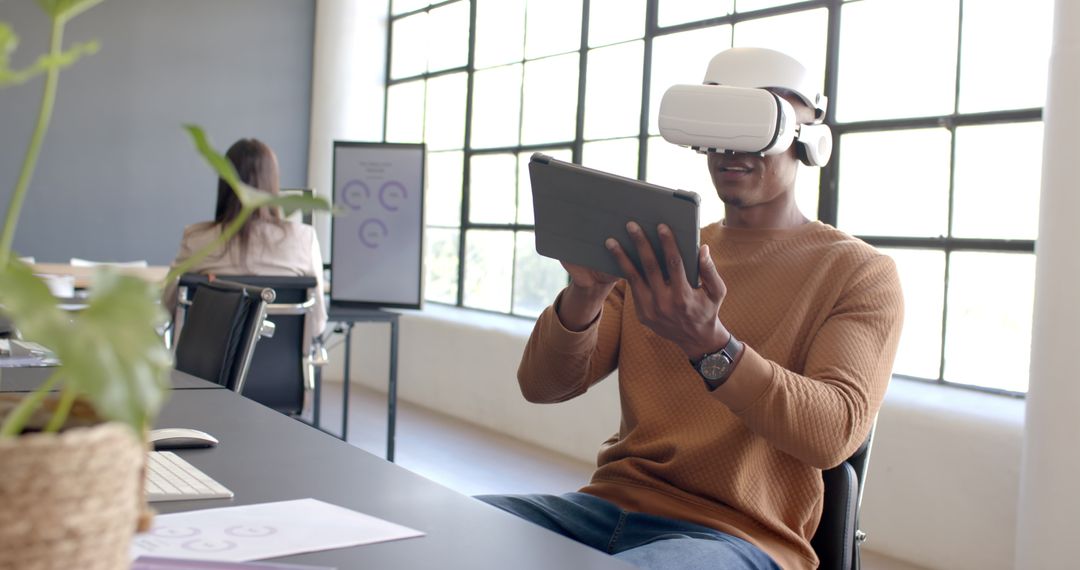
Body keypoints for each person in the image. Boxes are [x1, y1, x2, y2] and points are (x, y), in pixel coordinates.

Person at [478, 47, 904, 570]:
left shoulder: (857, 272)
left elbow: (833, 434)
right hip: (603, 508)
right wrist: (584, 294)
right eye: (720, 124)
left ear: (808, 138)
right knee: (436, 533)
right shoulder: (663, 253)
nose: (731, 149)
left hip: (737, 536)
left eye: (756, 124)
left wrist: (710, 346)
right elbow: (542, 386)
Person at [162, 138, 327, 352]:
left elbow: (168, 309)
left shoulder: (196, 239)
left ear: (225, 183)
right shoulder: (304, 239)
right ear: (273, 184)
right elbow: (316, 325)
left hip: (206, 377)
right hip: (280, 377)